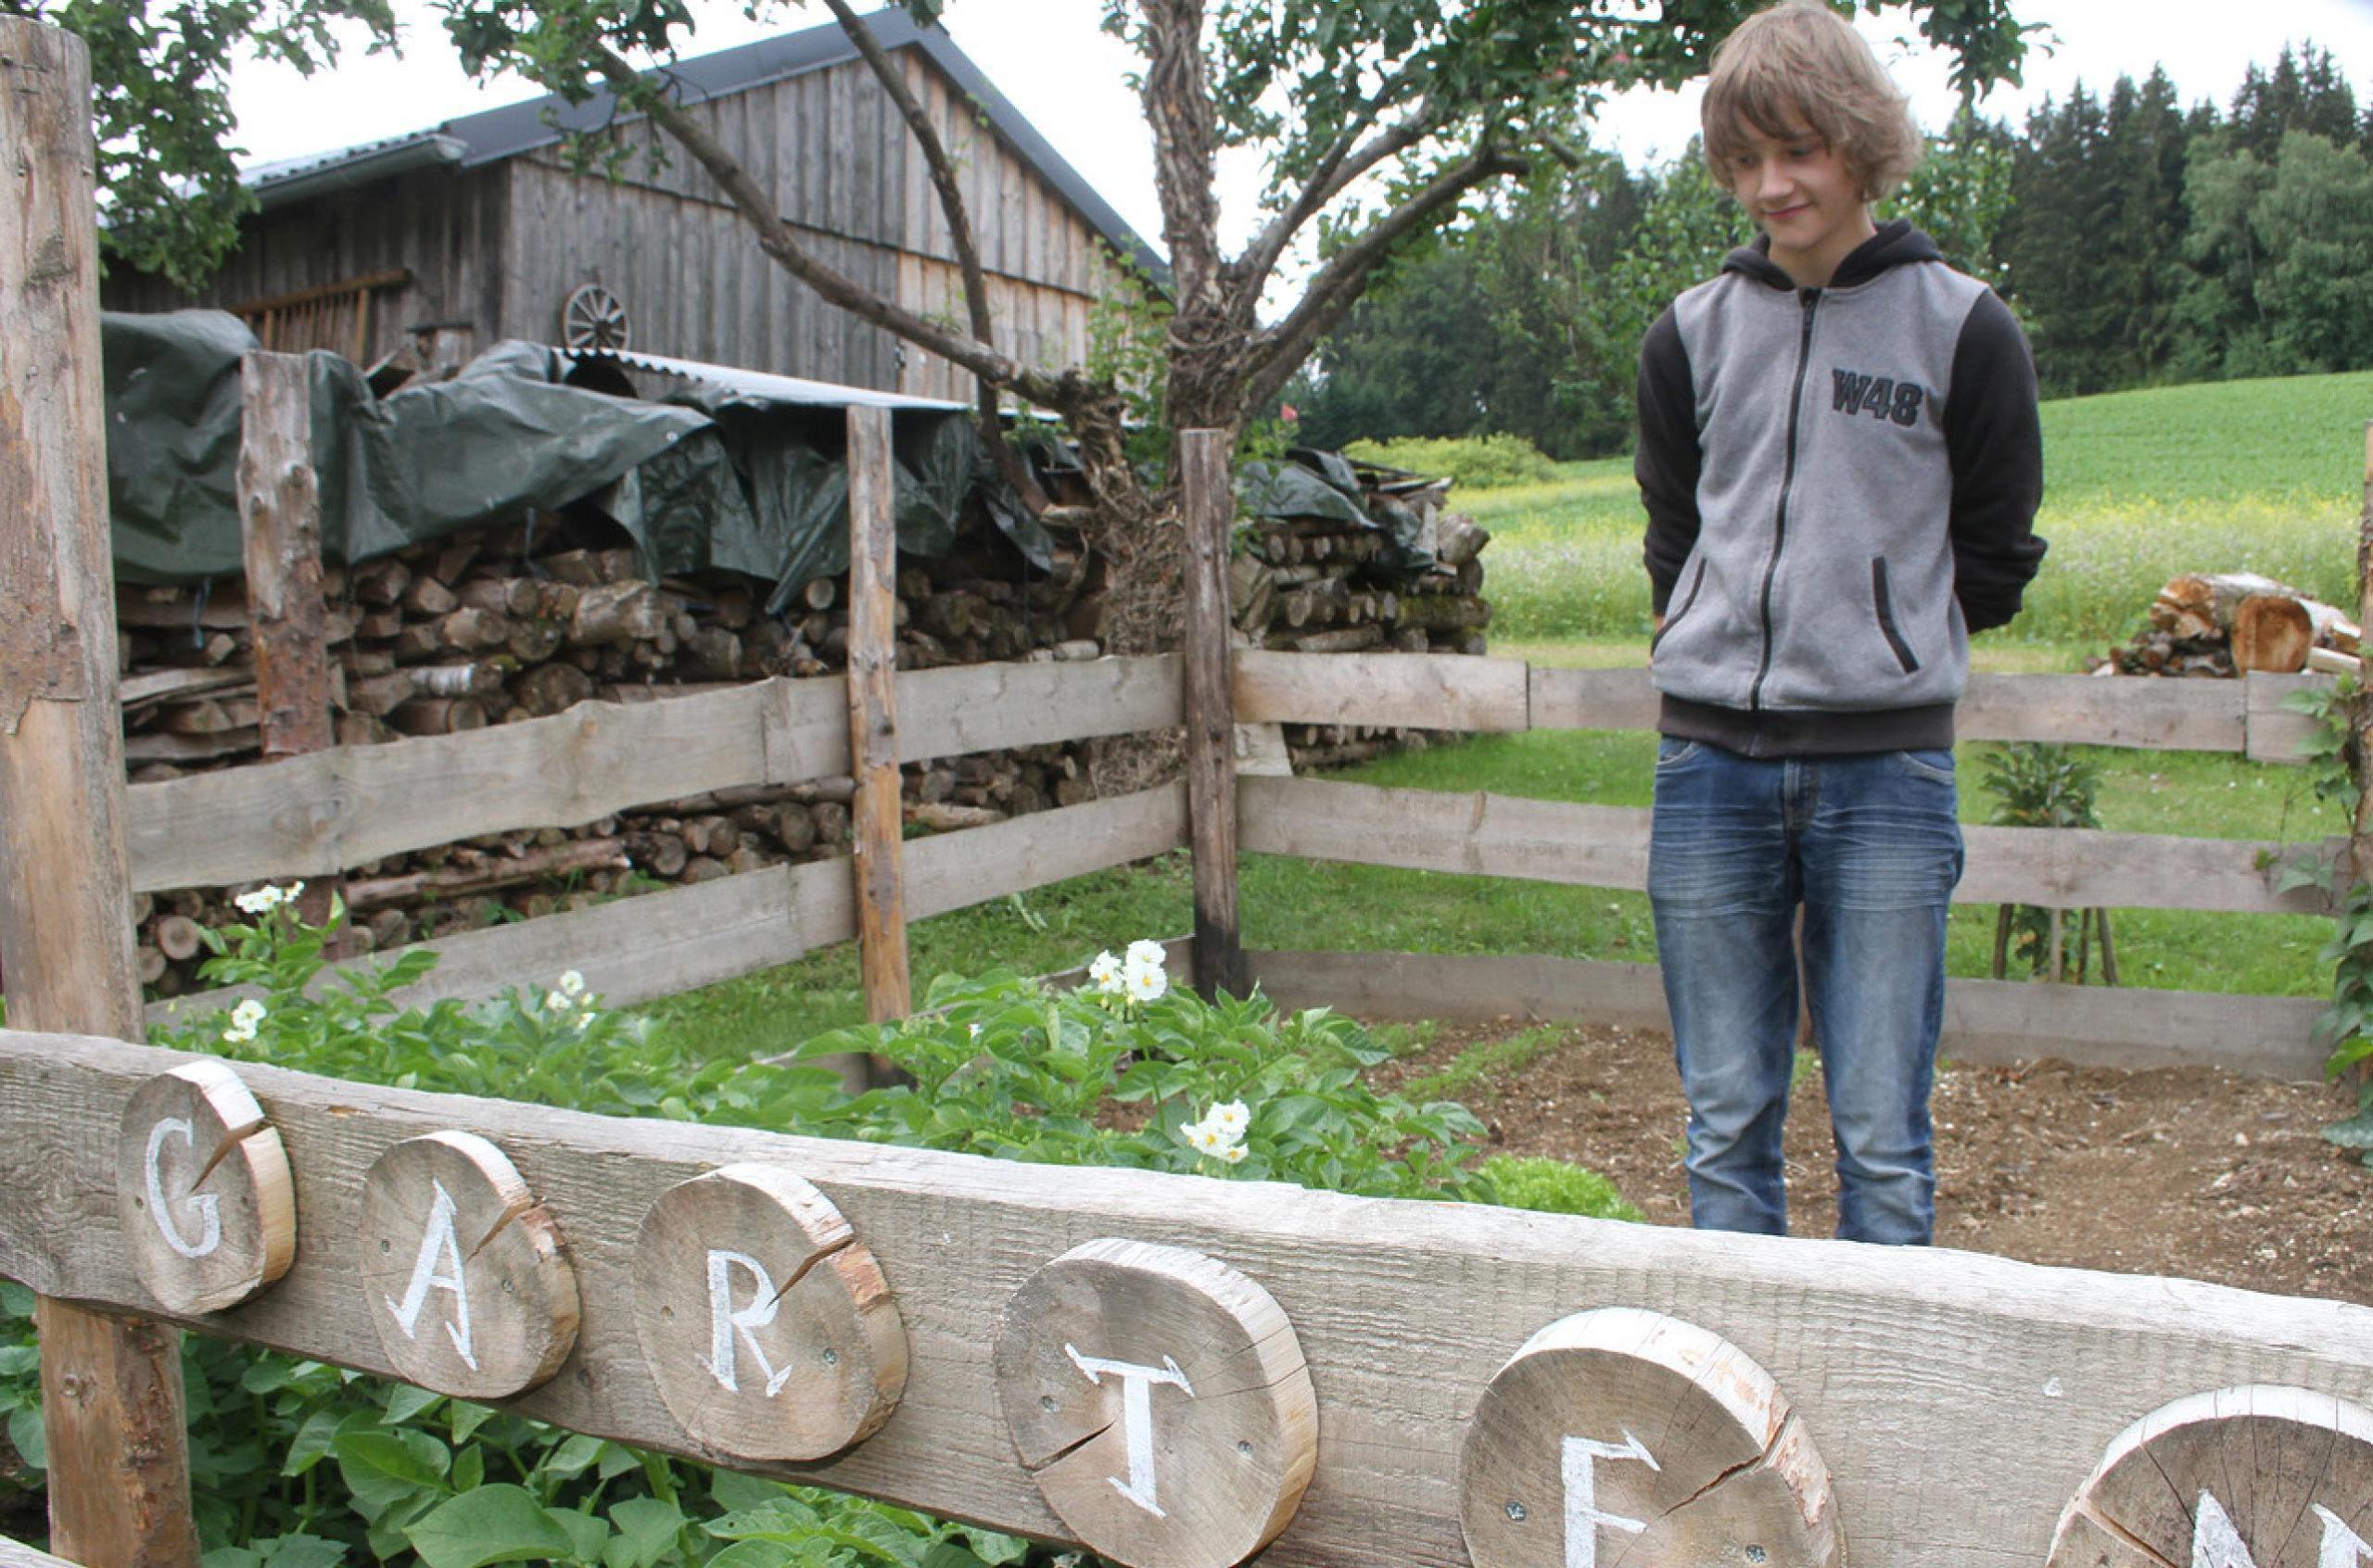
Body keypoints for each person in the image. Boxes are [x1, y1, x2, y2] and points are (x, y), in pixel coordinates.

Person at [1632, 0, 2045, 1245]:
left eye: (1798, 152)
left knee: (1880, 1133)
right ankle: (1733, 1423)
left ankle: (1884, 1419)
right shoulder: (1688, 336)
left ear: (1860, 145)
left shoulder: (1964, 327)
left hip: (1887, 774)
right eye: (1747, 160)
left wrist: (1877, 640)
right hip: (1708, 767)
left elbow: (1995, 554)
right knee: (1725, 1123)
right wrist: (1718, 637)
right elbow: (1673, 538)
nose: (1772, 185)